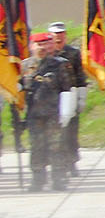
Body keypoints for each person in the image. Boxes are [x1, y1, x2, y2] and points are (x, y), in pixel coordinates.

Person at [20, 33, 74, 190]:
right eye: (39, 44)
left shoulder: (60, 64)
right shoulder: (24, 66)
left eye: (46, 44)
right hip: (34, 114)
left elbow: (66, 89)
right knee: (36, 146)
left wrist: (66, 111)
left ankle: (58, 178)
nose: (42, 48)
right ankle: (38, 179)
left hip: (53, 114)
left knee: (56, 146)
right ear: (32, 46)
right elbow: (21, 88)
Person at [47, 22, 89, 175]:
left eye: (61, 34)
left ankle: (71, 162)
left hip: (71, 94)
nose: (58, 37)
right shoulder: (47, 54)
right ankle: (58, 164)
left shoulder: (73, 53)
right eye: (55, 34)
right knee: (56, 135)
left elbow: (79, 75)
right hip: (51, 98)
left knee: (70, 133)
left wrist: (81, 96)